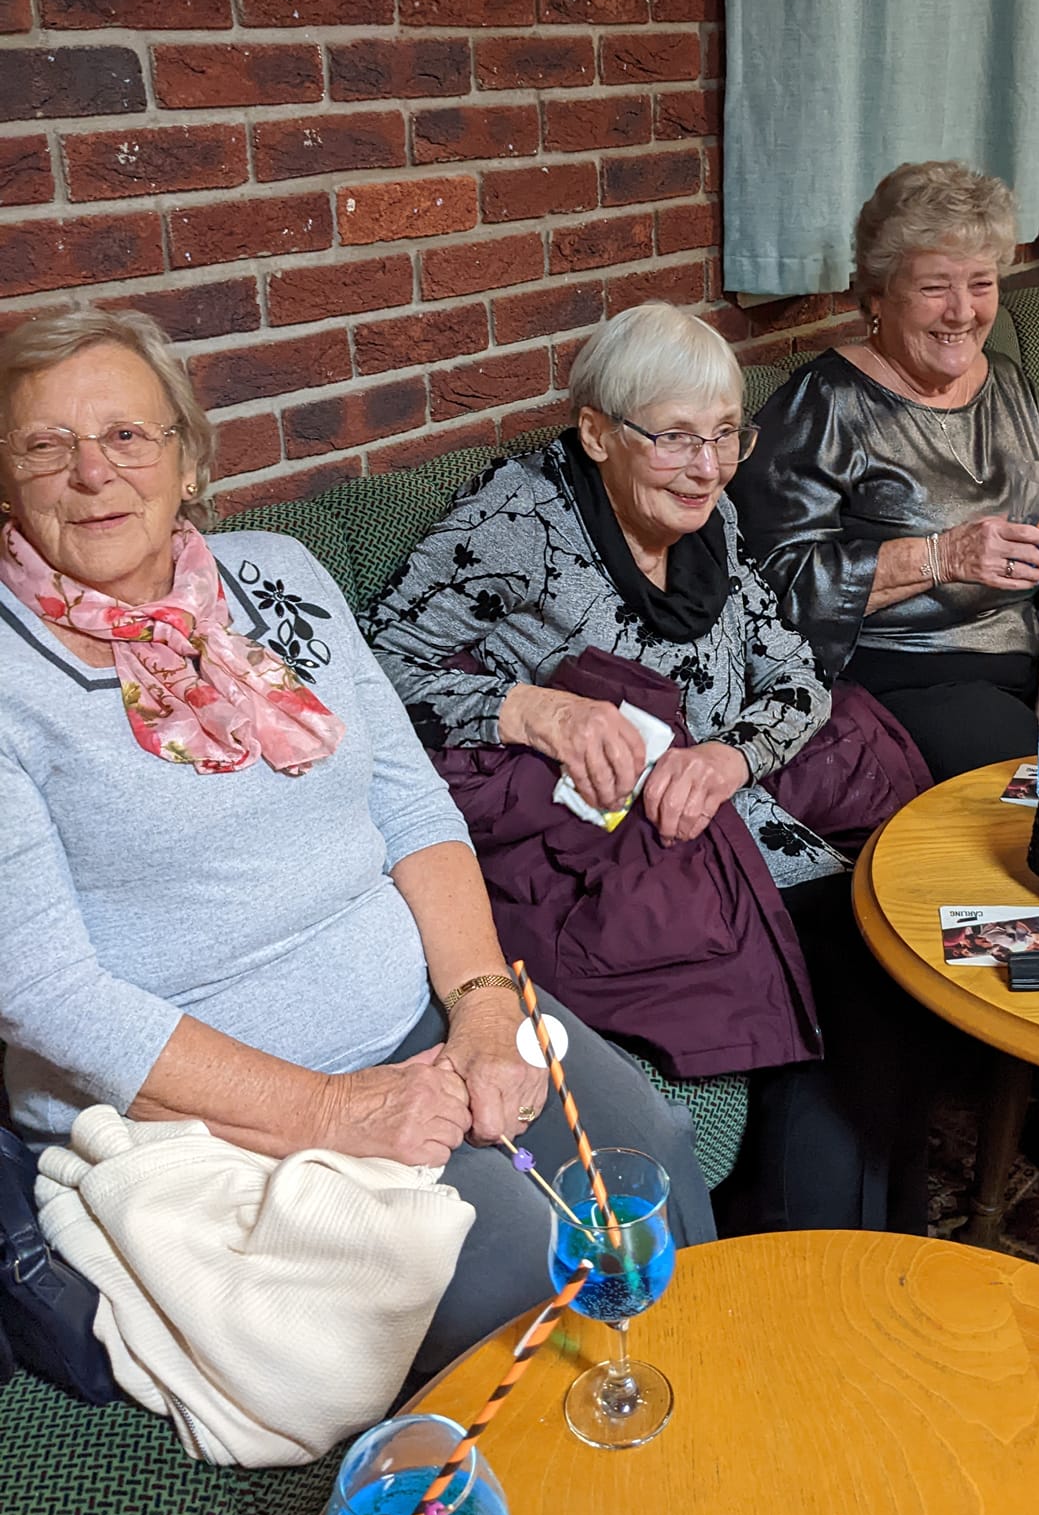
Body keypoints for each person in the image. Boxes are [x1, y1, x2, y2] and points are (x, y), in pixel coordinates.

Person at [0, 304, 714, 1377]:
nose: (93, 472)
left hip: (424, 1009)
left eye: (128, 436)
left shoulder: (280, 572)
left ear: (188, 460)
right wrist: (332, 1108)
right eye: (45, 445)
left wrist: (484, 1008)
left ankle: (704, 1420)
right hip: (217, 1108)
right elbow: (44, 991)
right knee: (526, 1264)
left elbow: (412, 807)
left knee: (649, 1155)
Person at [364, 302, 932, 1234]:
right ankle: (826, 1269)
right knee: (849, 989)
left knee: (884, 963)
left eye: (725, 434)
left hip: (733, 819)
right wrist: (533, 709)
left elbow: (796, 673)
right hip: (615, 857)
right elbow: (375, 671)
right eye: (675, 438)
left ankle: (878, 1259)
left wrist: (731, 755)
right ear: (597, 433)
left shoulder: (711, 521)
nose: (708, 466)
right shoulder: (519, 523)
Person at [732, 159, 1039, 783]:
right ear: (878, 296)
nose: (962, 312)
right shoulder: (824, 404)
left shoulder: (1007, 382)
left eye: (981, 283)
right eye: (936, 287)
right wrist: (942, 556)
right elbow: (775, 586)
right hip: (906, 676)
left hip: (1030, 658)